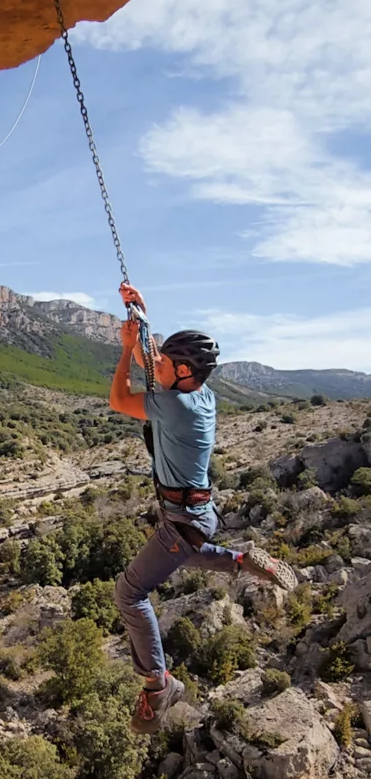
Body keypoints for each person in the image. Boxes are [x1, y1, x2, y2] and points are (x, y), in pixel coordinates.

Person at [109, 283, 296, 734]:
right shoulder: (201, 397)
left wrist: (125, 352)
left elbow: (119, 398)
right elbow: (153, 366)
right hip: (197, 515)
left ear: (186, 372)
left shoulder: (173, 406)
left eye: (169, 363)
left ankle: (158, 684)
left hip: (181, 521)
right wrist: (142, 317)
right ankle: (241, 560)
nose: (159, 365)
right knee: (187, 555)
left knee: (129, 593)